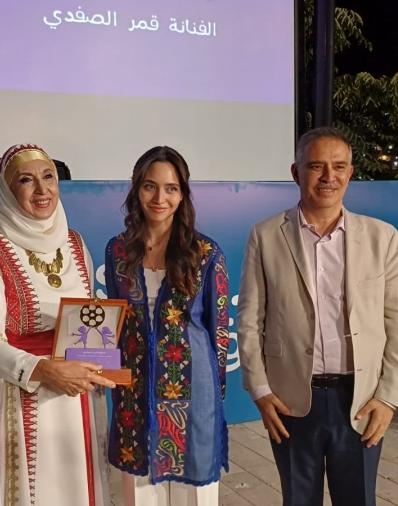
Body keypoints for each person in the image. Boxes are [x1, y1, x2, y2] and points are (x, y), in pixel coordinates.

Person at [236, 127, 398, 506]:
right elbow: (250, 320)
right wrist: (260, 391)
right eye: (316, 166)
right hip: (290, 401)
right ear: (296, 172)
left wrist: (389, 398)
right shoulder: (266, 236)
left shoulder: (382, 237)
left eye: (339, 166)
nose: (328, 176)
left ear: (351, 173)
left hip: (361, 400)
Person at [0, 143, 116, 506]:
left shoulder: (75, 242)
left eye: (49, 177)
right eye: (26, 180)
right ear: (8, 190)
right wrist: (45, 370)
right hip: (18, 393)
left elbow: (87, 314)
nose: (42, 190)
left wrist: (105, 351)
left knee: (76, 486)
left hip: (74, 393)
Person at [104, 146, 230, 506]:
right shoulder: (118, 251)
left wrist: (215, 396)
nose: (160, 198)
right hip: (135, 391)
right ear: (136, 189)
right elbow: (114, 324)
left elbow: (219, 330)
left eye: (171, 188)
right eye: (150, 186)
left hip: (193, 391)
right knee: (141, 493)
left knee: (196, 496)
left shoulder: (205, 252)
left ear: (183, 193)